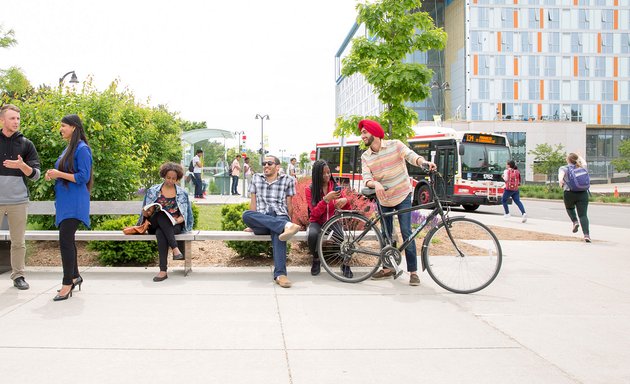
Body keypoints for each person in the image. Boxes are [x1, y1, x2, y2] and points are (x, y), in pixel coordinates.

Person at [359, 119, 436, 286]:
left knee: (407, 232)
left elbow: (411, 156)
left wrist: (424, 162)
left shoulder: (395, 145)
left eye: (365, 132)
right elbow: (366, 179)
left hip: (402, 195)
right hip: (384, 199)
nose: (362, 135)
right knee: (386, 235)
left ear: (375, 132)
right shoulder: (365, 156)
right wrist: (375, 183)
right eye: (362, 133)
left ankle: (413, 273)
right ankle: (388, 269)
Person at [45, 114, 93, 301]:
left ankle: (67, 283)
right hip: (65, 202)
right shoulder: (69, 149)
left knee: (65, 240)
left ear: (74, 127)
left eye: (64, 125)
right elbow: (65, 172)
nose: (61, 129)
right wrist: (53, 174)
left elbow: (83, 177)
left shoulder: (82, 149)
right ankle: (75, 276)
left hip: (75, 203)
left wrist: (60, 173)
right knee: (68, 240)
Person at [0, 104, 41, 290]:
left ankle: (18, 276)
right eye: (12, 118)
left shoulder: (26, 144)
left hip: (18, 201)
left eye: (18, 118)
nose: (16, 122)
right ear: (2, 120)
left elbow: (35, 175)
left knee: (18, 242)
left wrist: (21, 166)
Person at [242, 155, 299, 288]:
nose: (266, 165)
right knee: (246, 215)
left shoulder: (288, 180)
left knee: (278, 231)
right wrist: (253, 224)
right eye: (264, 163)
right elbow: (253, 202)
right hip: (262, 219)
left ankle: (280, 274)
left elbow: (289, 204)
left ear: (277, 167)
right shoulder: (256, 178)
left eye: (270, 163)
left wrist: (289, 219)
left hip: (280, 215)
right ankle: (287, 226)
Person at [140, 162, 194, 281]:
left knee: (161, 232)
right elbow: (147, 213)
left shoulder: (182, 193)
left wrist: (177, 220)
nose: (170, 180)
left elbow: (185, 215)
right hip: (154, 223)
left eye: (173, 179)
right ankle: (175, 249)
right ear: (164, 176)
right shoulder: (153, 190)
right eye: (168, 178)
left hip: (173, 225)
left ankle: (163, 271)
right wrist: (146, 212)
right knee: (160, 214)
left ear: (177, 179)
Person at [305, 160, 351, 276]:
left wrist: (345, 201)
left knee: (342, 238)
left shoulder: (335, 186)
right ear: (316, 175)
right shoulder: (310, 189)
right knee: (312, 235)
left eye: (328, 172)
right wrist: (326, 199)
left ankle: (345, 264)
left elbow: (346, 208)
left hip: (332, 220)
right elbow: (314, 214)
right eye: (323, 173)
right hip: (317, 221)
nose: (327, 176)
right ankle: (316, 259)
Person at [559, 153, 591, 242]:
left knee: (569, 208)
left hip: (569, 193)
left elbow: (561, 176)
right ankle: (586, 235)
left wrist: (561, 181)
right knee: (583, 215)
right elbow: (584, 162)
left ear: (567, 160)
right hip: (583, 193)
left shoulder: (564, 168)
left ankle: (575, 222)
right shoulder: (583, 167)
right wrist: (579, 156)